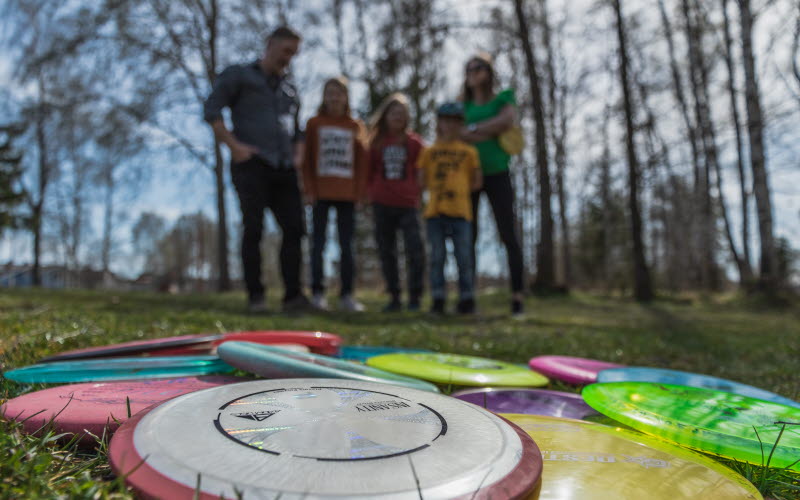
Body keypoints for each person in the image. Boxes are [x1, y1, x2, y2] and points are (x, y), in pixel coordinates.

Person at [203, 26, 314, 314]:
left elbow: (297, 129)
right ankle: (256, 296)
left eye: (294, 54)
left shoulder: (290, 90)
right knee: (253, 228)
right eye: (286, 51)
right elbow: (212, 110)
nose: (288, 59)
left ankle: (293, 297)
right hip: (251, 164)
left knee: (295, 229)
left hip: (285, 167)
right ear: (270, 44)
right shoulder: (239, 75)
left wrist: (298, 155)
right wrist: (234, 147)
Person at [460, 52, 526, 316]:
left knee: (508, 234)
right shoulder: (462, 106)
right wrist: (488, 128)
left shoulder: (503, 98)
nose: (473, 72)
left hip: (498, 173)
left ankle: (518, 298)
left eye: (478, 68)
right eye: (469, 69)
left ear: (488, 72)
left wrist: (474, 130)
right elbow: (458, 135)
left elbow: (507, 121)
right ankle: (468, 298)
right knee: (469, 237)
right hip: (470, 176)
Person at [301, 77, 368, 312]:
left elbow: (362, 163)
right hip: (320, 193)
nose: (334, 97)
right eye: (329, 92)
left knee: (346, 245)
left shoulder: (355, 126)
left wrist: (360, 193)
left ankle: (347, 295)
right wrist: (308, 189)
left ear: (347, 97)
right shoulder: (314, 124)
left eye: (339, 93)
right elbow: (306, 160)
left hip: (348, 195)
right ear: (323, 96)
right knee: (317, 244)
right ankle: (318, 293)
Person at [418, 102, 482, 314]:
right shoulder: (429, 151)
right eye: (446, 121)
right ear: (439, 124)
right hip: (434, 212)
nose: (450, 126)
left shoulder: (469, 152)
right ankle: (438, 299)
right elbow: (421, 180)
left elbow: (477, 182)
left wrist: (459, 189)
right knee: (437, 257)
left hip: (461, 212)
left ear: (460, 124)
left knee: (464, 257)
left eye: (455, 121)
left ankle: (467, 300)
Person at [367, 93, 426, 312]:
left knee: (415, 250)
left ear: (407, 117)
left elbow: (422, 172)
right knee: (387, 251)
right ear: (385, 115)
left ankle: (415, 298)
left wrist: (417, 192)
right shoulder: (376, 142)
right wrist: (369, 196)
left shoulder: (415, 143)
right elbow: (368, 171)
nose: (398, 116)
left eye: (402, 113)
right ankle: (394, 297)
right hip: (381, 203)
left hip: (408, 204)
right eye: (394, 112)